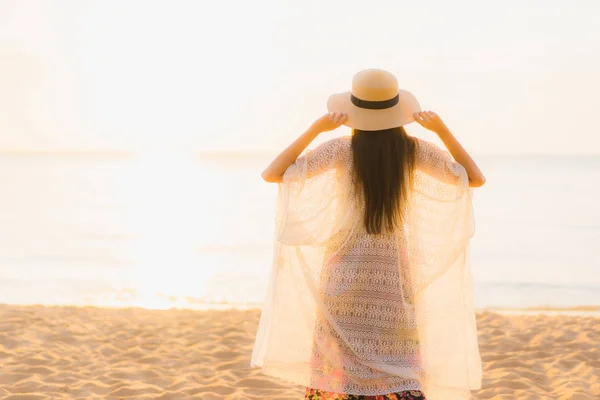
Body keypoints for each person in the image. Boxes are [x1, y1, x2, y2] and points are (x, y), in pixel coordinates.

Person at [251, 69, 485, 400]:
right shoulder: (414, 150)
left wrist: (317, 128)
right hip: (391, 274)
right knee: (398, 361)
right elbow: (474, 179)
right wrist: (441, 130)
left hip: (341, 270)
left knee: (339, 367)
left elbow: (272, 173)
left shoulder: (338, 150)